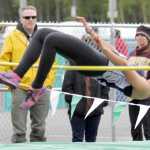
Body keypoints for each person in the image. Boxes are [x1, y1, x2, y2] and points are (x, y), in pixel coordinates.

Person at [0, 16, 150, 104]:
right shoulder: (143, 78)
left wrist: (104, 49)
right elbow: (116, 53)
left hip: (98, 66)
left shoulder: (145, 89)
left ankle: (37, 87)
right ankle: (16, 75)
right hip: (97, 60)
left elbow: (122, 64)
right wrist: (91, 32)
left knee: (52, 39)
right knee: (43, 33)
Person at [0, 5, 57, 143]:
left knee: (39, 129)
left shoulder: (46, 38)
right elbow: (3, 62)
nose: (30, 20)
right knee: (19, 131)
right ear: (21, 19)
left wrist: (46, 84)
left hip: (41, 88)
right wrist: (12, 83)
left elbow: (53, 64)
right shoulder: (11, 37)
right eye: (27, 17)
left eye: (33, 17)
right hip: (20, 88)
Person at [62, 60, 109, 142]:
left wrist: (101, 102)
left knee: (91, 139)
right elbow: (66, 87)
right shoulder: (72, 66)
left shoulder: (99, 65)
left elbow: (105, 86)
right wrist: (75, 103)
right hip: (76, 112)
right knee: (77, 139)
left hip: (95, 111)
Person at [128, 26, 150, 141]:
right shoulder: (132, 54)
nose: (140, 38)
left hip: (147, 95)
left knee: (148, 127)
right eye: (138, 35)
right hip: (133, 95)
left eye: (143, 36)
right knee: (135, 127)